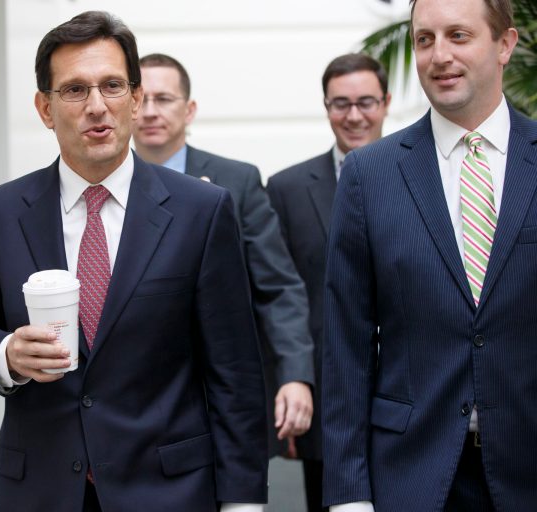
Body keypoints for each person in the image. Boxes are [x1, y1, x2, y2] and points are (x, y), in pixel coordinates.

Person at [0, 11, 268, 512]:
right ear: (45, 109)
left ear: (135, 100)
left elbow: (235, 372)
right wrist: (6, 354)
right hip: (41, 490)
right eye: (74, 90)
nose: (97, 106)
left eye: (113, 86)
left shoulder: (201, 211)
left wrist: (243, 502)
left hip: (170, 491)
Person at [322, 0, 534, 510]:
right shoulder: (368, 175)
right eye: (424, 39)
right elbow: (345, 345)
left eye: (458, 36)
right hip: (411, 478)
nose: (439, 55)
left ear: (505, 44)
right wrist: (350, 498)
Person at [132, 53, 315, 462]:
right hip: (136, 407)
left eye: (163, 99)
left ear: (189, 109)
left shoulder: (237, 182)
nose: (149, 112)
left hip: (224, 398)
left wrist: (296, 375)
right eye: (140, 99)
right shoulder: (107, 187)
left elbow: (278, 286)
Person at [265, 53, 391, 512]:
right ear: (325, 106)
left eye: (365, 102)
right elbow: (278, 296)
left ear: (386, 102)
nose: (353, 116)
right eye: (340, 104)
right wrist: (291, 384)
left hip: (412, 390)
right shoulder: (286, 188)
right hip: (323, 398)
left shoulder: (420, 177)